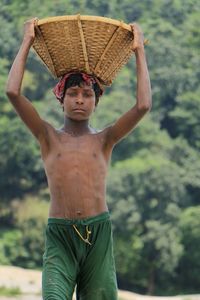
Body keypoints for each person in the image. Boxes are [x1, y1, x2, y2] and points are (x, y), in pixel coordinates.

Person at [6, 17, 152, 300]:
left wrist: (139, 50)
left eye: (87, 94)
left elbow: (144, 105)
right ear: (61, 99)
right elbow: (12, 92)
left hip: (98, 233)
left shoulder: (105, 139)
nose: (80, 100)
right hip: (60, 236)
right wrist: (27, 41)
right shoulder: (47, 136)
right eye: (72, 93)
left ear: (97, 101)